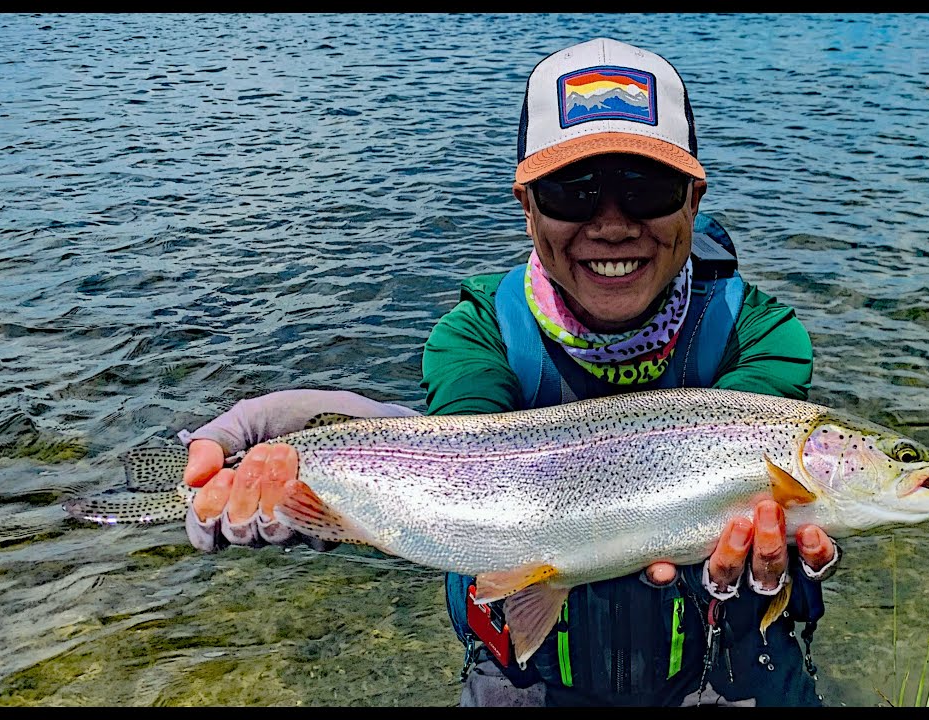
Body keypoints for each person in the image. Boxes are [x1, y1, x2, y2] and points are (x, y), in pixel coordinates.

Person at [177, 37, 841, 707]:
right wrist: (319, 453)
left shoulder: (760, 333)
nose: (612, 224)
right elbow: (462, 452)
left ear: (694, 199)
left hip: (727, 673)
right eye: (570, 192)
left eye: (648, 189)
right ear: (527, 205)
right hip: (529, 679)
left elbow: (744, 449)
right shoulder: (477, 336)